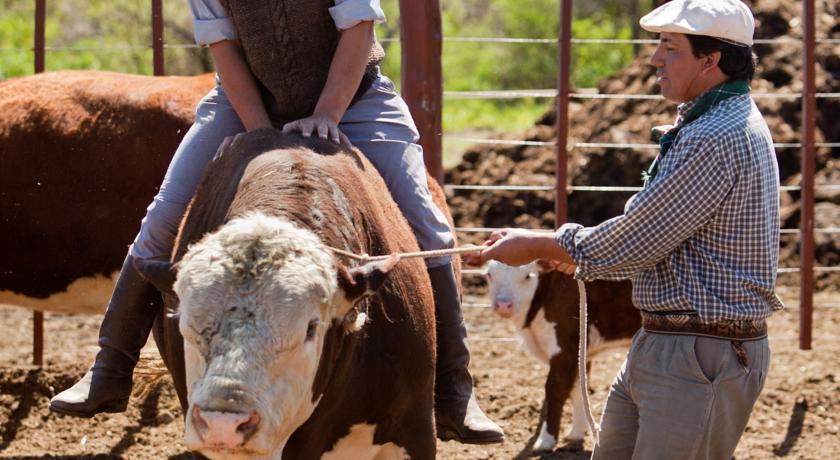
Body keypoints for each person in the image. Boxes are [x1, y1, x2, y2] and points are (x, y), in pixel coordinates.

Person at [49, 0, 503, 445]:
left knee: (429, 229)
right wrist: (258, 132)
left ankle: (454, 389)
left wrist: (327, 114)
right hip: (241, 101)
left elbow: (358, 29)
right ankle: (111, 367)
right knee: (161, 221)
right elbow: (224, 46)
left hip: (356, 96)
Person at [468, 0, 781, 457]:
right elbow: (653, 230)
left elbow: (636, 240)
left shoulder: (714, 136)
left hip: (697, 354)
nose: (654, 59)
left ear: (711, 59)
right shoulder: (715, 124)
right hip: (678, 344)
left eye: (669, 48)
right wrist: (570, 250)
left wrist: (543, 244)